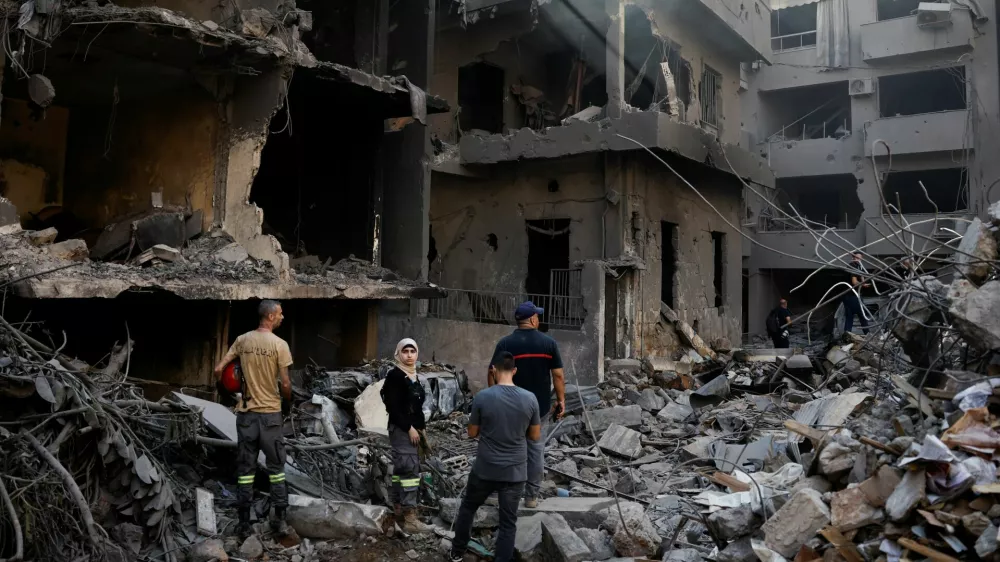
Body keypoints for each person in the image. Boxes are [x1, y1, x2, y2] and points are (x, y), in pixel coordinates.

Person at [213, 299, 293, 537]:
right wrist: (287, 401)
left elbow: (219, 370)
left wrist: (230, 394)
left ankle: (244, 522)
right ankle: (279, 519)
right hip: (270, 415)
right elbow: (286, 383)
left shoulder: (242, 340)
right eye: (279, 314)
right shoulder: (280, 345)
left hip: (246, 415)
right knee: (276, 468)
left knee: (246, 469)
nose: (282, 317)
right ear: (269, 317)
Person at [451, 352, 541, 562]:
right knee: (508, 522)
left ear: (493, 369)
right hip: (515, 471)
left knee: (468, 507)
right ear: (515, 371)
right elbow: (535, 436)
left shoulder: (483, 397)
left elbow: (472, 433)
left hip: (485, 468)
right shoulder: (530, 398)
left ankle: (457, 551)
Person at [487, 301, 565, 508]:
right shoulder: (548, 343)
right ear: (532, 319)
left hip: (509, 407)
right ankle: (531, 497)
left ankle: (497, 495)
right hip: (539, 408)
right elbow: (557, 375)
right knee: (535, 451)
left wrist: (493, 397)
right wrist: (561, 400)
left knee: (505, 448)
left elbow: (492, 372)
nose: (538, 319)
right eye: (537, 316)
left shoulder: (505, 344)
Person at [380, 338, 433, 534]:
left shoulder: (413, 376)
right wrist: (409, 427)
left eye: (413, 351)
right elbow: (393, 408)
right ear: (398, 354)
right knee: (409, 470)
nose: (409, 355)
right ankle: (410, 518)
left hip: (412, 429)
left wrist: (421, 428)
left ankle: (399, 510)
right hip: (402, 430)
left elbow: (416, 408)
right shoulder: (395, 376)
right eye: (405, 351)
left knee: (403, 469)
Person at [843, 253, 871, 336]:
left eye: (860, 258)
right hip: (852, 295)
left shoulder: (858, 266)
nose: (859, 259)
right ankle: (867, 334)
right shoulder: (853, 266)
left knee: (849, 317)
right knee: (862, 315)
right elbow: (854, 282)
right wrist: (863, 284)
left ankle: (847, 335)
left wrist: (863, 281)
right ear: (853, 257)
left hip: (850, 295)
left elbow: (862, 277)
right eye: (857, 257)